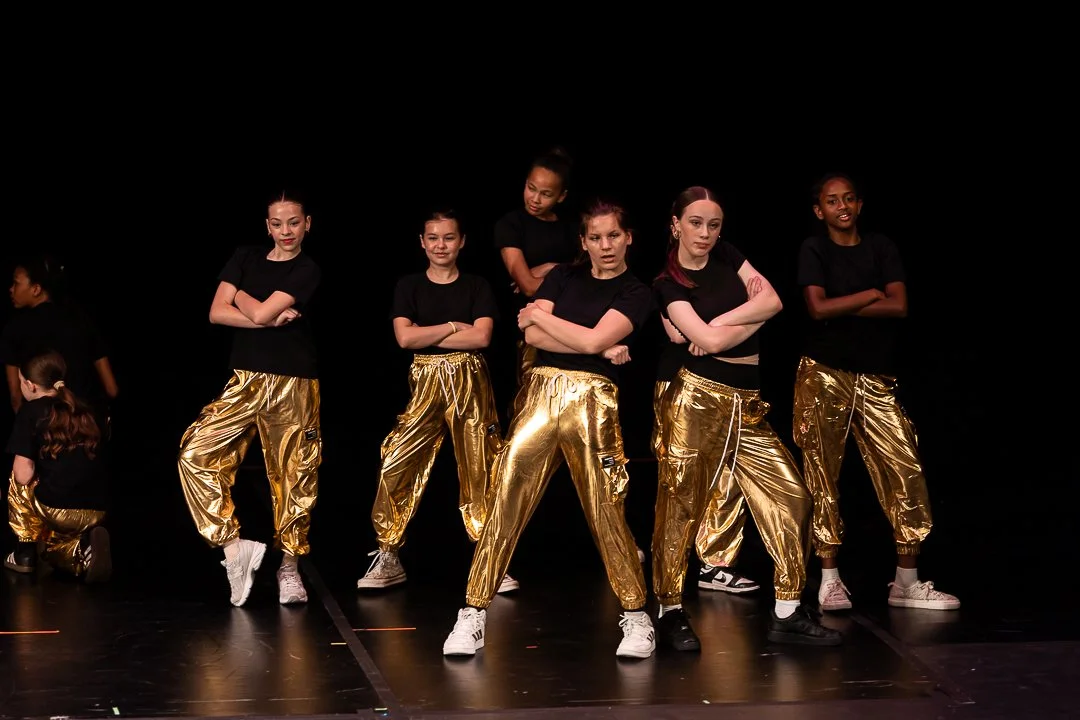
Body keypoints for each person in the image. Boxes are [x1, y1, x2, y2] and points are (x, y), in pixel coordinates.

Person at [442, 199, 656, 660]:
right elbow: (533, 337)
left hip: (592, 401)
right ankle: (473, 611)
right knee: (505, 498)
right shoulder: (562, 276)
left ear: (628, 237)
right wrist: (588, 340)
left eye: (613, 236)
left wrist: (552, 322)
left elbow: (591, 338)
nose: (605, 246)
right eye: (596, 237)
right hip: (540, 393)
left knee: (605, 508)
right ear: (583, 241)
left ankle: (638, 617)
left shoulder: (637, 291)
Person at [651, 185, 841, 650]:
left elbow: (773, 302)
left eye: (713, 225)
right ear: (676, 224)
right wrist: (737, 322)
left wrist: (716, 323)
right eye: (695, 223)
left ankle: (788, 610)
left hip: (747, 401)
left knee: (793, 499)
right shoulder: (666, 283)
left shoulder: (729, 255)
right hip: (697, 399)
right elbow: (710, 345)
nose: (705, 233)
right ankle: (669, 609)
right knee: (680, 506)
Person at [793, 172, 959, 612]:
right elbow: (817, 307)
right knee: (821, 473)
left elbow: (899, 305)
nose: (842, 206)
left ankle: (907, 582)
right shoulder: (815, 249)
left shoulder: (880, 247)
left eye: (849, 199)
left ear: (860, 205)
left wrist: (845, 303)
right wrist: (869, 294)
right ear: (819, 210)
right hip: (825, 373)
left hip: (876, 377)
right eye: (832, 201)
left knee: (904, 467)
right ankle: (829, 579)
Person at [357, 209, 517, 594]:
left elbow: (480, 338)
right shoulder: (409, 286)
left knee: (482, 465)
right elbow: (404, 340)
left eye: (448, 238)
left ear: (461, 242)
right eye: (433, 237)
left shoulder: (476, 285)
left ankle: (490, 559)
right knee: (396, 461)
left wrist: (427, 333)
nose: (440, 245)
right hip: (424, 380)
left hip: (469, 381)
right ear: (422, 242)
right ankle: (388, 553)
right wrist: (450, 326)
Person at [177, 190, 322, 608]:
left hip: (294, 381)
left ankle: (289, 569)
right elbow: (215, 312)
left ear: (307, 224)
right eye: (277, 223)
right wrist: (266, 315)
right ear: (267, 226)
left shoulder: (307, 269)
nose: (286, 231)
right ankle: (233, 547)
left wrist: (241, 297)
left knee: (295, 474)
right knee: (195, 454)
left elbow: (243, 311)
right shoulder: (245, 256)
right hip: (245, 379)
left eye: (293, 222)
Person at [651, 339, 759, 595]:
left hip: (730, 385)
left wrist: (710, 338)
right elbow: (676, 334)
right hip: (681, 380)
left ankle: (715, 564)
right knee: (680, 483)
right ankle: (669, 572)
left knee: (730, 478)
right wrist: (708, 337)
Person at [4, 350, 111, 582]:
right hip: (97, 509)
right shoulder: (85, 408)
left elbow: (23, 476)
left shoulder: (31, 411)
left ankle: (24, 553)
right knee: (55, 549)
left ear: (31, 386)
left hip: (57, 509)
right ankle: (83, 553)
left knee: (17, 477)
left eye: (21, 382)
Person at [492, 146, 581, 418]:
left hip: (568, 325)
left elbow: (590, 275)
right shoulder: (511, 224)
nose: (535, 198)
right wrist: (565, 274)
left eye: (546, 194)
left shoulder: (571, 227)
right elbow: (528, 286)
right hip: (526, 329)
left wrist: (553, 267)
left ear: (562, 196)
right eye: (531, 188)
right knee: (528, 403)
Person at [2, 253, 119, 417]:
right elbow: (111, 388)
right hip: (87, 422)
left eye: (16, 283)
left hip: (47, 426)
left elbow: (16, 398)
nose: (11, 289)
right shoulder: (81, 318)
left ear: (36, 289)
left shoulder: (15, 328)